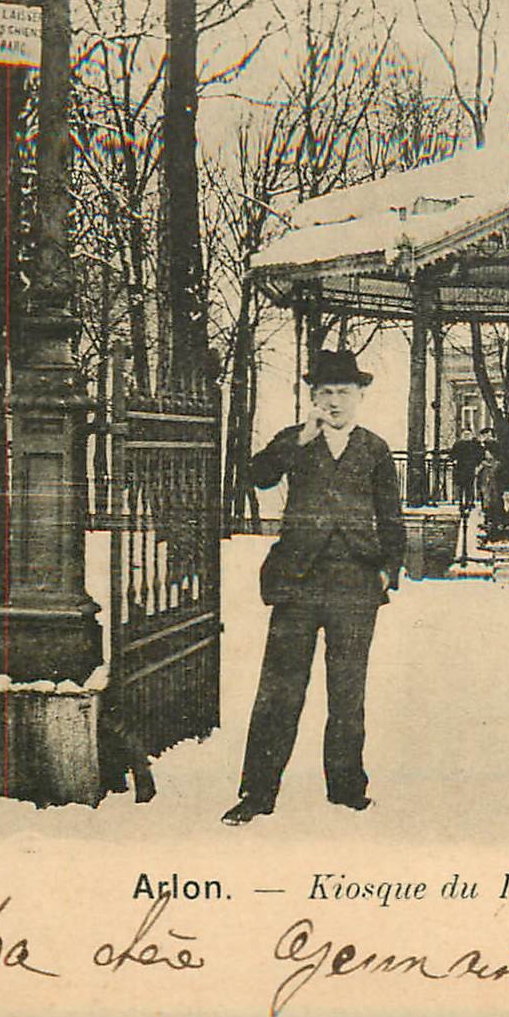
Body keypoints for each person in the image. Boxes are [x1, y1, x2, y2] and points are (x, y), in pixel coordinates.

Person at [223, 349, 404, 826]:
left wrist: (390, 567)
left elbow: (391, 515)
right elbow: (257, 476)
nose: (335, 402)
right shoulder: (295, 441)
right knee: (279, 690)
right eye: (326, 393)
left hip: (354, 583)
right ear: (313, 398)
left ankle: (346, 789)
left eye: (344, 392)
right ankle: (257, 793)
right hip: (297, 583)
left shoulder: (376, 449)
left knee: (347, 692)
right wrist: (297, 440)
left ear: (361, 396)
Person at [448, 427, 485, 510]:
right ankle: (461, 502)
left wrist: (478, 465)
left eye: (468, 434)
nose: (466, 436)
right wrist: (453, 460)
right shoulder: (458, 444)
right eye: (465, 434)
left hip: (471, 467)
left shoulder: (475, 445)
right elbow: (452, 455)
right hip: (460, 468)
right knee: (461, 486)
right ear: (462, 435)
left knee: (470, 486)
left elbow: (480, 455)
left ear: (471, 435)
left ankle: (469, 502)